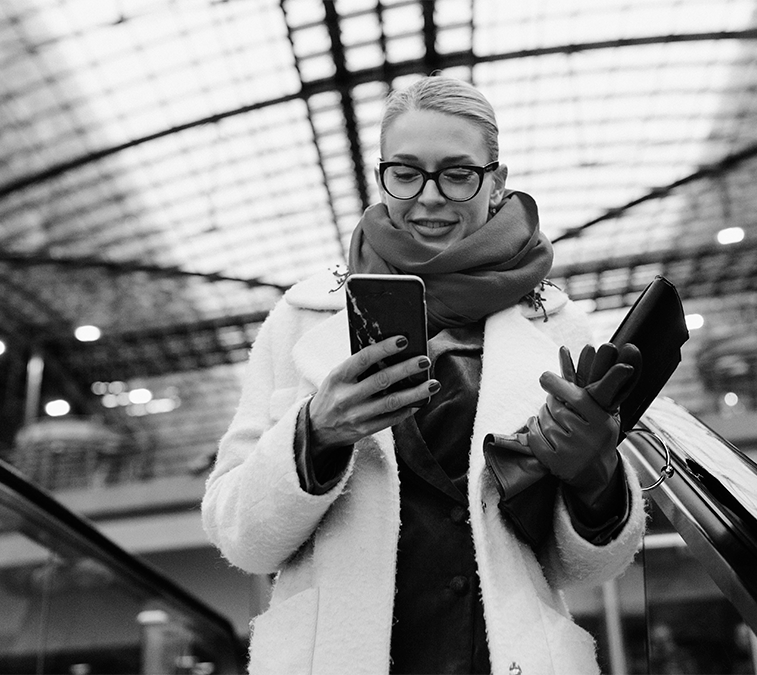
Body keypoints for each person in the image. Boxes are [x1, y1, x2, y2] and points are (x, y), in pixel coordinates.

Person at [201, 75, 647, 675]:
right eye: (405, 173)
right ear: (381, 177)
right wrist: (315, 433)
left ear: (497, 182)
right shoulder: (305, 316)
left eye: (457, 173)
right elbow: (240, 535)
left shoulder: (559, 325)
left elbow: (586, 569)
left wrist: (597, 480)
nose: (428, 197)